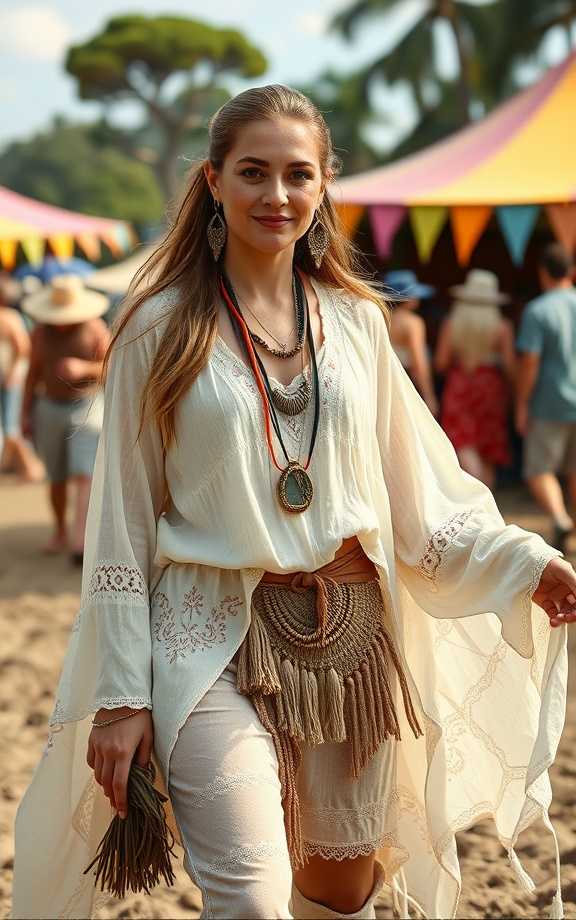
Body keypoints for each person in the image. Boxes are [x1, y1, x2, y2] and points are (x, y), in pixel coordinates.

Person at [12, 86, 576, 920]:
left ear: (323, 185)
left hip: (353, 640)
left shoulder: (358, 322)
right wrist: (122, 696)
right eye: (253, 172)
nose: (275, 194)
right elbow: (122, 526)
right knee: (251, 897)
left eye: (297, 173)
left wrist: (526, 560)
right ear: (213, 181)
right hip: (207, 635)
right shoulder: (156, 328)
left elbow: (418, 497)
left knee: (338, 896)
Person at [20, 274, 110, 562]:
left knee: (84, 472)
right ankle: (60, 530)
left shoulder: (95, 328)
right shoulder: (39, 332)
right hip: (49, 407)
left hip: (87, 405)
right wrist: (24, 414)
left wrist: (84, 369)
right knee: (56, 476)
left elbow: (111, 368)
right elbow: (32, 374)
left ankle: (80, 540)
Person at [516, 243, 576, 552]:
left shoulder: (537, 310)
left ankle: (560, 518)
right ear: (572, 272)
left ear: (542, 272)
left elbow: (530, 362)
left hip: (549, 402)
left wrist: (521, 404)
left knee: (539, 470)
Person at [434, 269, 516, 490]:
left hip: (460, 383)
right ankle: (486, 498)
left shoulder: (452, 323)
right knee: (487, 448)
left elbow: (440, 363)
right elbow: (510, 366)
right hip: (491, 386)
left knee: (462, 441)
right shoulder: (503, 327)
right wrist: (514, 393)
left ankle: (474, 488)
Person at [0, 276, 45, 482]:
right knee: (10, 427)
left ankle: (31, 468)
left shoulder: (9, 317)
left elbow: (23, 349)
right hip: (8, 379)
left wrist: (13, 374)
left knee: (11, 427)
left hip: (11, 380)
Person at [380, 269, 438, 416]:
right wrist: (429, 395)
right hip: (404, 384)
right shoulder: (413, 323)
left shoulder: (379, 318)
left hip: (380, 383)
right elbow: (419, 362)